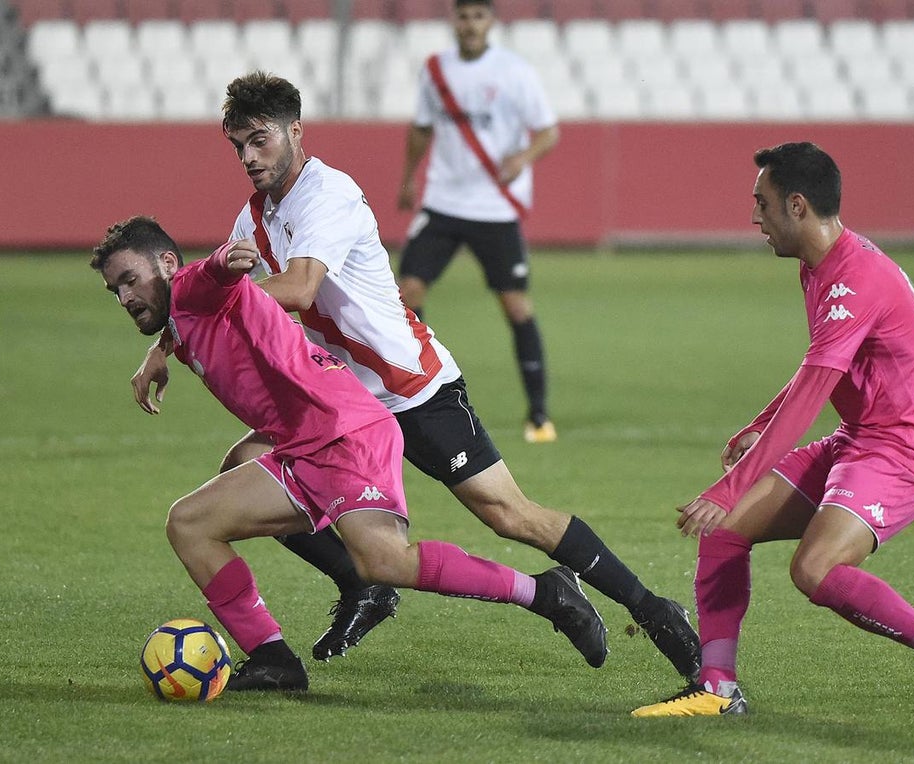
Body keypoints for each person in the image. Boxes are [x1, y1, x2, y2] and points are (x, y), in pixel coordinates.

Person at [130, 71, 701, 681]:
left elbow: (295, 289)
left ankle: (647, 606)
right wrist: (165, 343)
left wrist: (197, 310)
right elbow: (215, 291)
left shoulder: (328, 195)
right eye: (237, 145)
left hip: (411, 388)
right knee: (239, 468)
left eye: (259, 140)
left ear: (295, 131)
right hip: (339, 406)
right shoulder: (255, 217)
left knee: (509, 515)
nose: (248, 157)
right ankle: (362, 582)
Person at [93, 216, 609, 692]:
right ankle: (274, 658)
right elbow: (184, 316)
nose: (123, 296)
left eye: (129, 279)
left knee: (385, 560)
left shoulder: (192, 287)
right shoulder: (180, 319)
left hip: (346, 431)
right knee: (189, 523)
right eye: (114, 288)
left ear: (165, 264)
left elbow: (212, 275)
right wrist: (159, 351)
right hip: (303, 442)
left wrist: (229, 257)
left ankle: (546, 593)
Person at [631, 142, 914, 719]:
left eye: (762, 204)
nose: (754, 217)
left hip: (907, 451)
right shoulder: (822, 265)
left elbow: (812, 395)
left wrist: (730, 485)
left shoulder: (853, 280)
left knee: (815, 570)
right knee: (726, 532)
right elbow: (818, 369)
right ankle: (717, 689)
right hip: (862, 437)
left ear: (798, 205)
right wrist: (760, 424)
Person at [397, 0, 559, 444]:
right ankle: (411, 394)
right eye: (464, 16)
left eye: (479, 16)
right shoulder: (435, 69)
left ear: (491, 22)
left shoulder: (515, 72)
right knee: (406, 295)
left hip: (494, 207)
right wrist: (409, 178)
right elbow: (422, 127)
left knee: (516, 307)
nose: (471, 25)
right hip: (444, 201)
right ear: (455, 21)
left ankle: (539, 413)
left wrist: (521, 158)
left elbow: (547, 131)